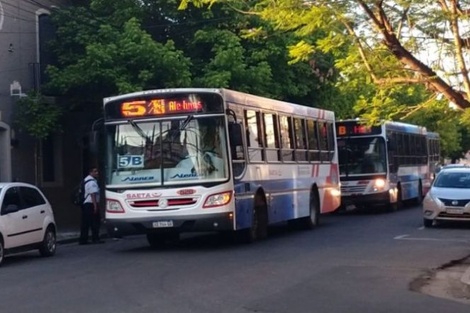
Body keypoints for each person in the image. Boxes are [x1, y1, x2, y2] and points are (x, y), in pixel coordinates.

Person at [79, 167, 104, 245]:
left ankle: (83, 239)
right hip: (90, 204)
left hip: (86, 204)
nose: (97, 173)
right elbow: (92, 194)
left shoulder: (86, 180)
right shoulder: (92, 182)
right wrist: (95, 205)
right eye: (95, 171)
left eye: (97, 171)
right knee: (95, 222)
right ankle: (95, 238)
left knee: (85, 222)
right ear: (90, 172)